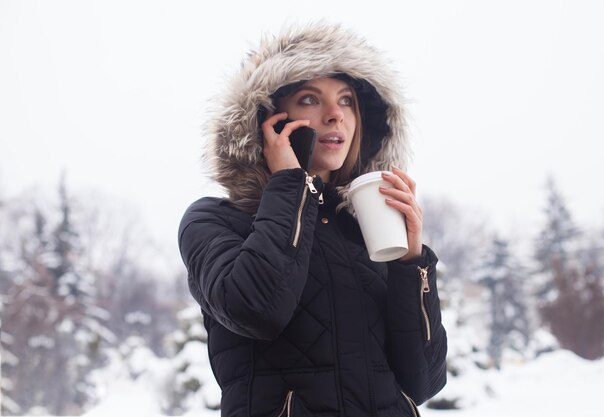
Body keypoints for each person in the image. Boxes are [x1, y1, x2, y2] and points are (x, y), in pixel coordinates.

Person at [178, 22, 447, 417]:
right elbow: (256, 309)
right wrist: (291, 182)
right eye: (309, 99)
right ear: (269, 120)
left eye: (347, 101)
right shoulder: (213, 221)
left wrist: (411, 264)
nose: (336, 115)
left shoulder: (367, 232)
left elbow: (423, 381)